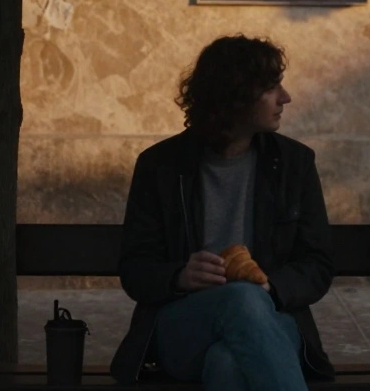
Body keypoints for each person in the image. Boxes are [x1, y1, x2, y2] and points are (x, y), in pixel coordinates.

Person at [110, 35, 336, 389]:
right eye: (271, 87)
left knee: (227, 364)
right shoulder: (161, 166)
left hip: (273, 318)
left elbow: (317, 264)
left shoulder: (294, 163)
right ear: (236, 96)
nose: (285, 97)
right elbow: (136, 269)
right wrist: (179, 276)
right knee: (240, 300)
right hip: (184, 323)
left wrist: (270, 288)